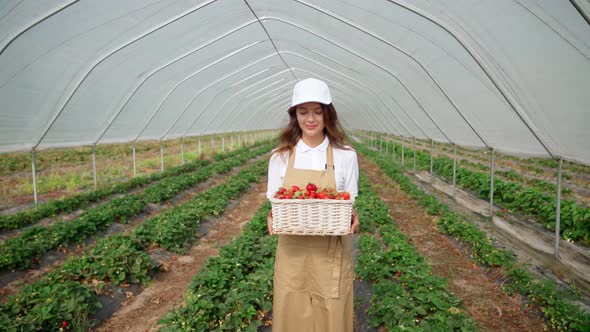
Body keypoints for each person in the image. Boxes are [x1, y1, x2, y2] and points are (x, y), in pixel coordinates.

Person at [266, 78, 360, 331]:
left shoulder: (346, 155)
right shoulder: (281, 157)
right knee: (292, 309)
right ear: (294, 115)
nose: (311, 119)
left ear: (327, 114)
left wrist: (352, 215)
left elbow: (347, 201)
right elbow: (277, 202)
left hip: (329, 252)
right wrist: (271, 216)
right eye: (303, 111)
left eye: (318, 112)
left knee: (331, 308)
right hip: (292, 250)